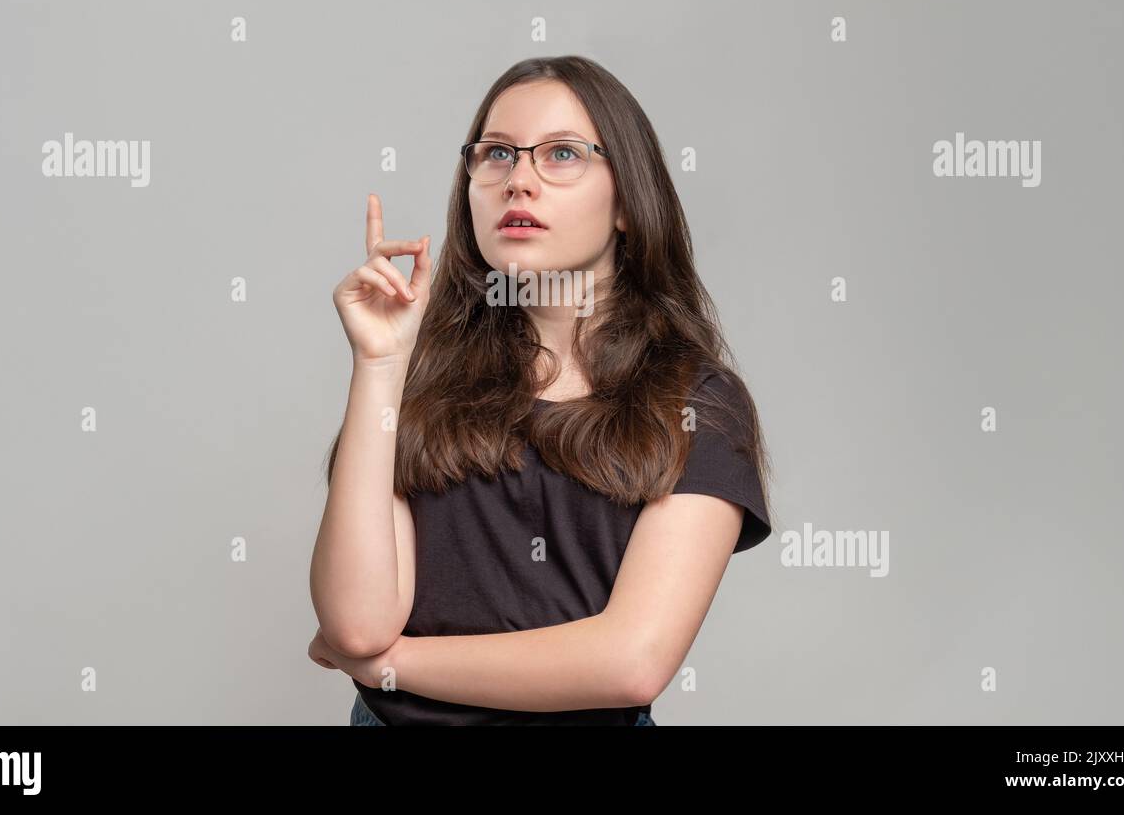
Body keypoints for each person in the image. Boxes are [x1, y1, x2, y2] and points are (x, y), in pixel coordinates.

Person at [307, 55, 774, 725]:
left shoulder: (695, 402)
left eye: (561, 154)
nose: (518, 180)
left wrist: (392, 667)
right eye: (495, 155)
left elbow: (631, 663)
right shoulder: (423, 379)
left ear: (626, 202)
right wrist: (379, 365)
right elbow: (356, 625)